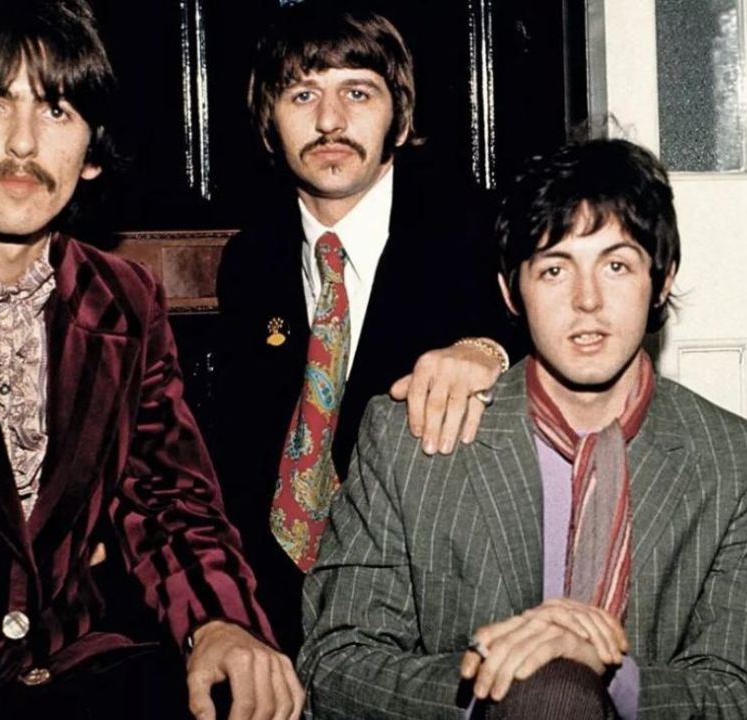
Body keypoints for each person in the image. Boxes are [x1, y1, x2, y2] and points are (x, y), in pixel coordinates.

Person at [0, 1, 302, 718]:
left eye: (58, 110)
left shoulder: (124, 300)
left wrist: (221, 623)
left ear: (92, 153)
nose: (24, 143)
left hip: (74, 669)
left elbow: (167, 500)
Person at [299, 138, 747, 719]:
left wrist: (611, 675)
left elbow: (729, 691)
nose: (587, 300)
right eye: (554, 269)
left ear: (663, 279)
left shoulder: (732, 459)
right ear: (511, 292)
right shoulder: (409, 436)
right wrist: (504, 673)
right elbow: (337, 665)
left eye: (617, 266)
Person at [213, 3, 519, 654]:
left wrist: (487, 349)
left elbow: (559, 329)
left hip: (436, 617)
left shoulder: (477, 233)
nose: (329, 121)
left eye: (357, 92)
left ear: (399, 117)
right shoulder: (250, 260)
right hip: (277, 612)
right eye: (302, 95)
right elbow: (241, 455)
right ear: (268, 122)